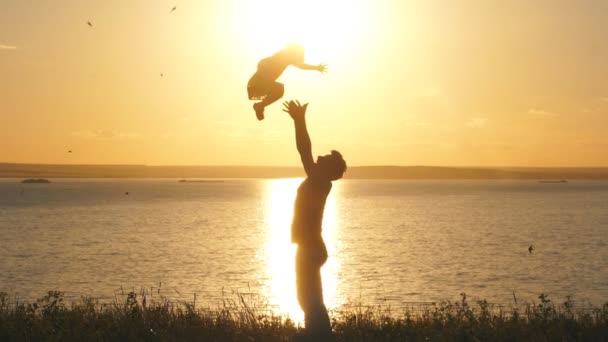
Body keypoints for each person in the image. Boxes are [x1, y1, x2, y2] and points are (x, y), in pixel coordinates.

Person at [282, 100, 346, 339]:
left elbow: (305, 150)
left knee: (311, 300)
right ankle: (317, 335)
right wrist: (298, 121)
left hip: (310, 248)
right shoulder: (318, 180)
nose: (318, 157)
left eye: (324, 158)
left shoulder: (320, 182)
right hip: (309, 247)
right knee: (308, 299)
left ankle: (319, 336)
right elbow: (306, 151)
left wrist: (300, 120)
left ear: (328, 169)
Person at [248, 44, 327, 121]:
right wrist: (316, 68)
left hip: (258, 84)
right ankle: (260, 106)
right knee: (279, 89)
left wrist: (316, 68)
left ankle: (260, 106)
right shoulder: (285, 57)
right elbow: (301, 65)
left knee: (279, 90)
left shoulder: (284, 57)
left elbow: (301, 65)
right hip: (257, 83)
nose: (300, 58)